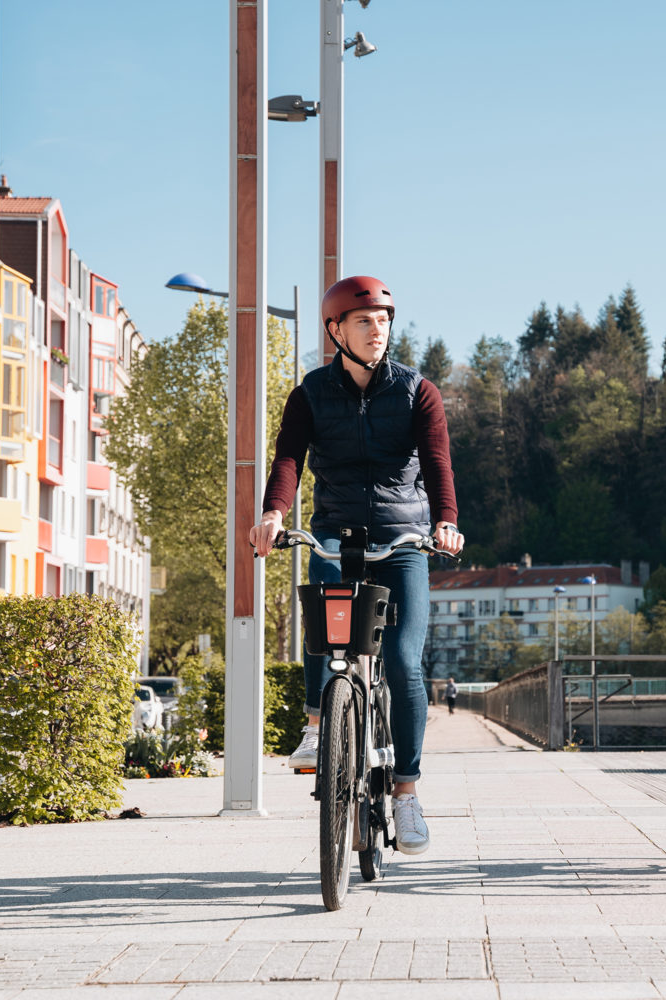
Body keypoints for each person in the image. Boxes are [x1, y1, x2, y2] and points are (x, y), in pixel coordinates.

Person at [251, 275, 464, 856]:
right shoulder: (312, 394)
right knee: (323, 640)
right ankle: (319, 730)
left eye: (385, 320)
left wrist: (444, 522)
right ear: (336, 330)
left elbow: (437, 461)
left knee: (402, 659)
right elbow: (290, 458)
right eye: (365, 321)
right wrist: (273, 513)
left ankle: (406, 791)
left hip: (403, 540)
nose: (378, 330)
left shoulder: (418, 391)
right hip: (334, 537)